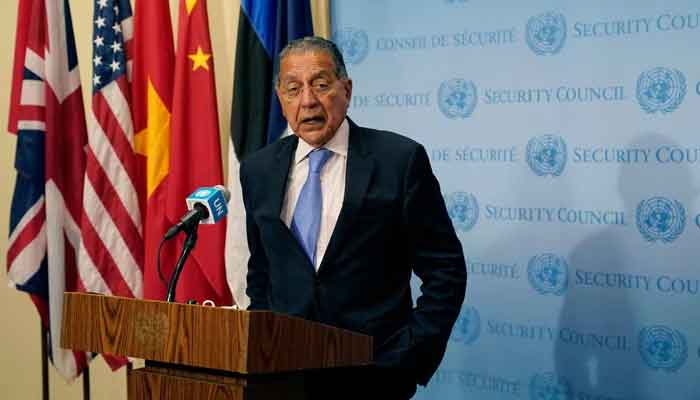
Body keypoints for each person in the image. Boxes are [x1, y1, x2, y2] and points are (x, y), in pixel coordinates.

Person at [239, 36, 467, 399]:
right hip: (280, 378)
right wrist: (264, 346)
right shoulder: (258, 170)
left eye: (321, 84)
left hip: (372, 379)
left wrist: (405, 360)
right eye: (293, 89)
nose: (308, 101)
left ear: (346, 89)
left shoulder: (399, 161)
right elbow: (262, 269)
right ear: (280, 99)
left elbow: (446, 272)